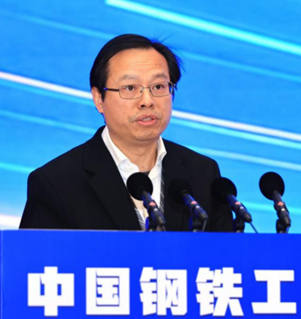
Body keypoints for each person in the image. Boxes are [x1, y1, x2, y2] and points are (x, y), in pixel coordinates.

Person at [19, 34, 232, 231]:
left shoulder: (204, 174)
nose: (147, 101)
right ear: (98, 99)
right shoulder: (57, 183)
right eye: (130, 88)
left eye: (158, 87)